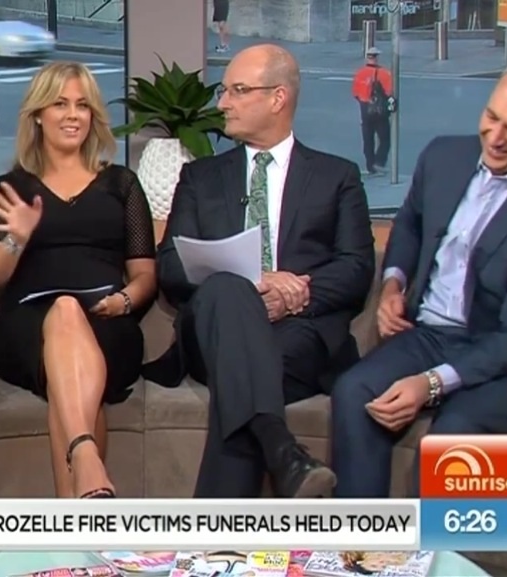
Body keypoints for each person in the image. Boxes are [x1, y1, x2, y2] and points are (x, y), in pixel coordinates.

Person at [330, 55, 507, 498]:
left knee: (457, 432)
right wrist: (394, 284)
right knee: (353, 391)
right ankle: (362, 536)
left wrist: (430, 384)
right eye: (492, 117)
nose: (495, 138)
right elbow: (411, 221)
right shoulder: (444, 156)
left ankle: (434, 544)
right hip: (431, 334)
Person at [145, 44, 376, 498]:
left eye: (237, 90)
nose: (222, 103)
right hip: (211, 330)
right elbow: (170, 264)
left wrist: (296, 294)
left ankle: (228, 523)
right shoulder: (200, 177)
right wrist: (257, 282)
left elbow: (356, 266)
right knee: (228, 291)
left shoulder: (337, 176)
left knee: (244, 378)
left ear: (277, 98)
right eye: (224, 91)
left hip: (299, 334)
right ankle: (282, 451)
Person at [0, 61, 157, 500]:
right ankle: (87, 456)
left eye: (82, 105)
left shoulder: (122, 184)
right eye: (60, 104)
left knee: (71, 343)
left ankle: (73, 503)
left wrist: (124, 302)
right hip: (27, 327)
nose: (73, 115)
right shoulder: (8, 189)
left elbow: (144, 274)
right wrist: (17, 237)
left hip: (107, 320)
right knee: (63, 310)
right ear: (38, 114)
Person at [351, 46, 394, 175]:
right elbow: (389, 93)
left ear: (367, 57)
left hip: (365, 109)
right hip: (380, 112)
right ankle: (379, 162)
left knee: (368, 139)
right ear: (377, 57)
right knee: (385, 139)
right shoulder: (385, 74)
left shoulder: (359, 73)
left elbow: (355, 93)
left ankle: (370, 165)